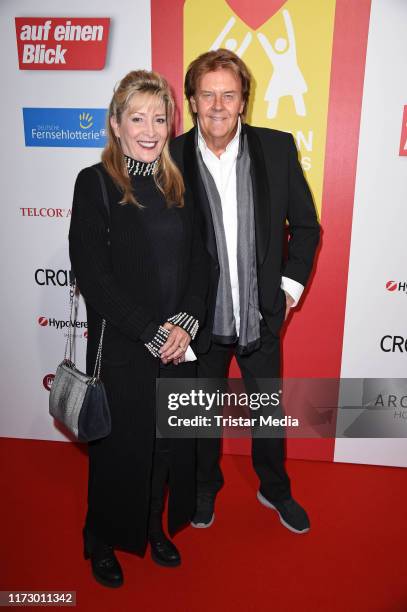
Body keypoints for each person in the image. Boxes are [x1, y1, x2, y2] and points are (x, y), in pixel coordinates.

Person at [170, 49, 320, 534]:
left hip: (261, 316)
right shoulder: (169, 157)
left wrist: (289, 290)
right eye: (207, 94)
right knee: (200, 419)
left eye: (228, 94)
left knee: (267, 416)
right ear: (192, 100)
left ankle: (274, 488)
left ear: (243, 102)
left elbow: (306, 226)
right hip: (199, 321)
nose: (218, 104)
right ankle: (203, 488)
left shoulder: (275, 149)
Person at [69, 70, 208, 588]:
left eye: (158, 117)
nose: (149, 130)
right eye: (137, 118)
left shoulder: (178, 183)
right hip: (125, 348)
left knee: (166, 445)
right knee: (119, 449)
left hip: (179, 346)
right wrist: (152, 332)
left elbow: (202, 261)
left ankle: (152, 525)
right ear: (116, 124)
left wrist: (186, 323)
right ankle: (102, 537)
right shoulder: (95, 183)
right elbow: (93, 277)